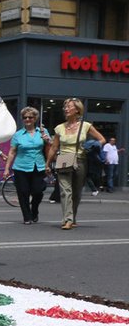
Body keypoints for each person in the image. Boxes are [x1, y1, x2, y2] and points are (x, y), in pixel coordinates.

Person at [46, 98, 105, 230]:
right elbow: (54, 148)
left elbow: (102, 139)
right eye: (65, 107)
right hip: (64, 158)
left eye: (69, 107)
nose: (66, 109)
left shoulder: (86, 126)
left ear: (77, 110)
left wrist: (94, 144)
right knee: (65, 191)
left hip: (80, 160)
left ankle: (72, 217)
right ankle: (67, 219)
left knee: (76, 192)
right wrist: (47, 163)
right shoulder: (59, 128)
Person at [3, 107, 51, 224]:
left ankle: (34, 210)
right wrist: (6, 168)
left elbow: (51, 148)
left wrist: (48, 141)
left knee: (37, 191)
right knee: (23, 192)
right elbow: (12, 151)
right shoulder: (18, 135)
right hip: (21, 167)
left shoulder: (43, 132)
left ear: (35, 119)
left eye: (30, 117)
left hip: (38, 166)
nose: (27, 119)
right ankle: (27, 216)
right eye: (25, 117)